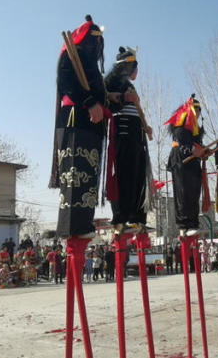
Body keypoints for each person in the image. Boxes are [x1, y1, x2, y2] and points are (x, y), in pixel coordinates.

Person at [49, 15, 107, 243]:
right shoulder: (72, 55)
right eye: (96, 41)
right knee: (74, 172)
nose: (98, 46)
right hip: (75, 118)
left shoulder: (92, 64)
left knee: (88, 174)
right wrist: (90, 102)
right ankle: (73, 226)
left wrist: (105, 100)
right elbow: (66, 82)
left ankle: (84, 222)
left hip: (91, 124)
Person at [105, 46, 152, 233]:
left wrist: (145, 126)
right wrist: (124, 98)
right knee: (124, 175)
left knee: (139, 175)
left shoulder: (130, 85)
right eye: (135, 67)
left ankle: (137, 217)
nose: (137, 72)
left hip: (137, 135)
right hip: (122, 134)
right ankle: (121, 217)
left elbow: (138, 111)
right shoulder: (111, 82)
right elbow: (107, 104)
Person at [165, 95, 205, 236]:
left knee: (194, 192)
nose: (199, 114)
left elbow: (198, 145)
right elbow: (182, 142)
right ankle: (184, 225)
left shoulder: (196, 128)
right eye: (197, 110)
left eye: (200, 111)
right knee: (183, 192)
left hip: (194, 161)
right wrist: (193, 149)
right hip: (180, 160)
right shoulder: (181, 124)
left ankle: (193, 223)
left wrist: (204, 151)